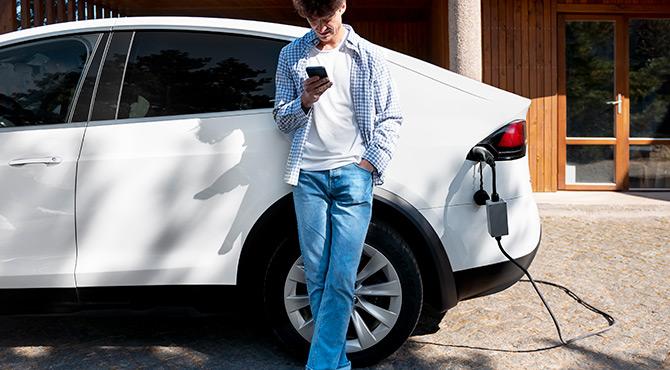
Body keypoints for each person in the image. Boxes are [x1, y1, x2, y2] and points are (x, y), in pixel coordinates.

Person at [273, 0, 402, 368]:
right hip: (308, 177)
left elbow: (392, 116)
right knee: (316, 273)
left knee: (342, 275)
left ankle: (321, 366)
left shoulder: (367, 56)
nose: (320, 26)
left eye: (325, 17)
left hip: (352, 175)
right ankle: (337, 363)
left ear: (342, 6)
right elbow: (281, 120)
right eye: (312, 19)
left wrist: (368, 164)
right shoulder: (291, 55)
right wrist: (306, 99)